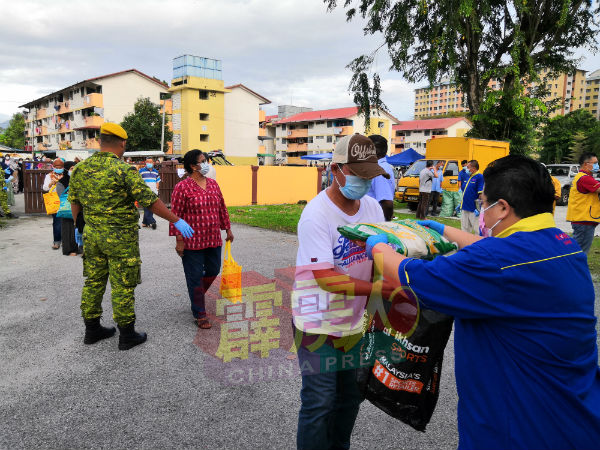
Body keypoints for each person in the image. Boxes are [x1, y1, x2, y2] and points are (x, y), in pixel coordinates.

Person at [366, 155, 600, 450]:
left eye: (484, 203)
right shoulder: (561, 245)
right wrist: (443, 231)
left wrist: (378, 246)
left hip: (521, 427)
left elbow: (414, 276)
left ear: (502, 207)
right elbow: (497, 252)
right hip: (574, 411)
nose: (482, 212)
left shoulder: (497, 262)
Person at [292, 133, 393, 450]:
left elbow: (381, 258)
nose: (364, 183)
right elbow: (326, 278)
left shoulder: (374, 209)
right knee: (320, 402)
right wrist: (380, 289)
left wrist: (379, 307)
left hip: (357, 323)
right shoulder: (316, 214)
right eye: (358, 175)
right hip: (316, 323)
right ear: (335, 170)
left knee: (351, 398)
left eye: (369, 176)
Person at [69, 123, 195, 350]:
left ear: (100, 141)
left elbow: (75, 201)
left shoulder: (80, 169)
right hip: (120, 238)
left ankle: (92, 329)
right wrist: (176, 220)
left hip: (92, 235)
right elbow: (150, 201)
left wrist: (80, 229)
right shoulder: (123, 170)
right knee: (122, 285)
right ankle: (127, 335)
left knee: (94, 281)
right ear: (122, 143)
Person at [169, 150, 233, 329]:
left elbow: (222, 207)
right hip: (192, 241)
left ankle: (196, 294)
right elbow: (176, 215)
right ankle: (200, 312)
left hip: (212, 238)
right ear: (193, 166)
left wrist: (227, 229)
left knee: (213, 270)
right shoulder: (182, 187)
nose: (207, 164)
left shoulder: (213, 184)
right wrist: (179, 240)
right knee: (194, 276)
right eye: (203, 161)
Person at [566, 152, 600, 254]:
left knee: (577, 250)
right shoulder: (585, 178)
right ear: (586, 164)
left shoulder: (582, 177)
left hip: (583, 219)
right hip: (584, 220)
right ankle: (571, 269)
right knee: (579, 253)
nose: (597, 166)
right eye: (595, 163)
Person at [366, 134, 396, 221]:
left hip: (375, 222)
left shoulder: (379, 169)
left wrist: (385, 224)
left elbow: (387, 203)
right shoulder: (378, 167)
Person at [56, 161, 80, 256]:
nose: (73, 170)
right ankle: (69, 249)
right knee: (67, 228)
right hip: (67, 208)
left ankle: (78, 248)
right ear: (66, 169)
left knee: (78, 227)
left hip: (78, 207)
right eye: (71, 168)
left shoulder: (79, 180)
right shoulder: (62, 182)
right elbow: (61, 195)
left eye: (75, 168)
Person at [42, 158, 66, 249]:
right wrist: (51, 183)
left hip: (64, 200)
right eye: (56, 166)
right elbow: (45, 188)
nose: (58, 168)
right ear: (53, 166)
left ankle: (66, 240)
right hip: (54, 200)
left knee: (66, 221)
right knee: (57, 221)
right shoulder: (49, 176)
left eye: (60, 166)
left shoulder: (66, 175)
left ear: (63, 167)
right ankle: (57, 241)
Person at [460, 160, 484, 233]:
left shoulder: (480, 177)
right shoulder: (468, 177)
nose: (466, 169)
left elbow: (481, 194)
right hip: (465, 207)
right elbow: (465, 192)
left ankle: (478, 243)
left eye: (468, 167)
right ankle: (465, 243)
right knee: (464, 229)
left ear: (473, 168)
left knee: (477, 230)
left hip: (474, 209)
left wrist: (479, 208)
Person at [139, 158, 161, 229]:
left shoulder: (156, 172)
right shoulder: (141, 171)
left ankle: (145, 223)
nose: (149, 163)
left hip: (154, 192)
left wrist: (157, 189)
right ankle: (152, 221)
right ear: (145, 162)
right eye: (147, 162)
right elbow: (138, 181)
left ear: (153, 163)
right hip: (145, 192)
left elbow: (157, 181)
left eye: (150, 162)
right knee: (147, 207)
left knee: (151, 207)